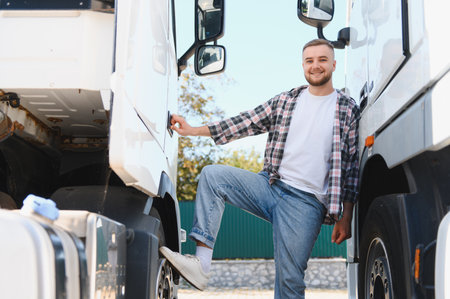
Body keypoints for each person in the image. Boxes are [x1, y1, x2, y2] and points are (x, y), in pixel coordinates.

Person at [160, 38, 360, 298]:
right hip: (271, 186)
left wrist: (346, 216)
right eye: (310, 61)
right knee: (213, 176)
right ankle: (202, 265)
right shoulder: (287, 101)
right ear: (303, 65)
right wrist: (193, 130)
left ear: (333, 64)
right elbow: (245, 122)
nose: (316, 66)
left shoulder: (346, 108)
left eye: (322, 60)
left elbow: (352, 166)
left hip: (307, 203)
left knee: (289, 281)